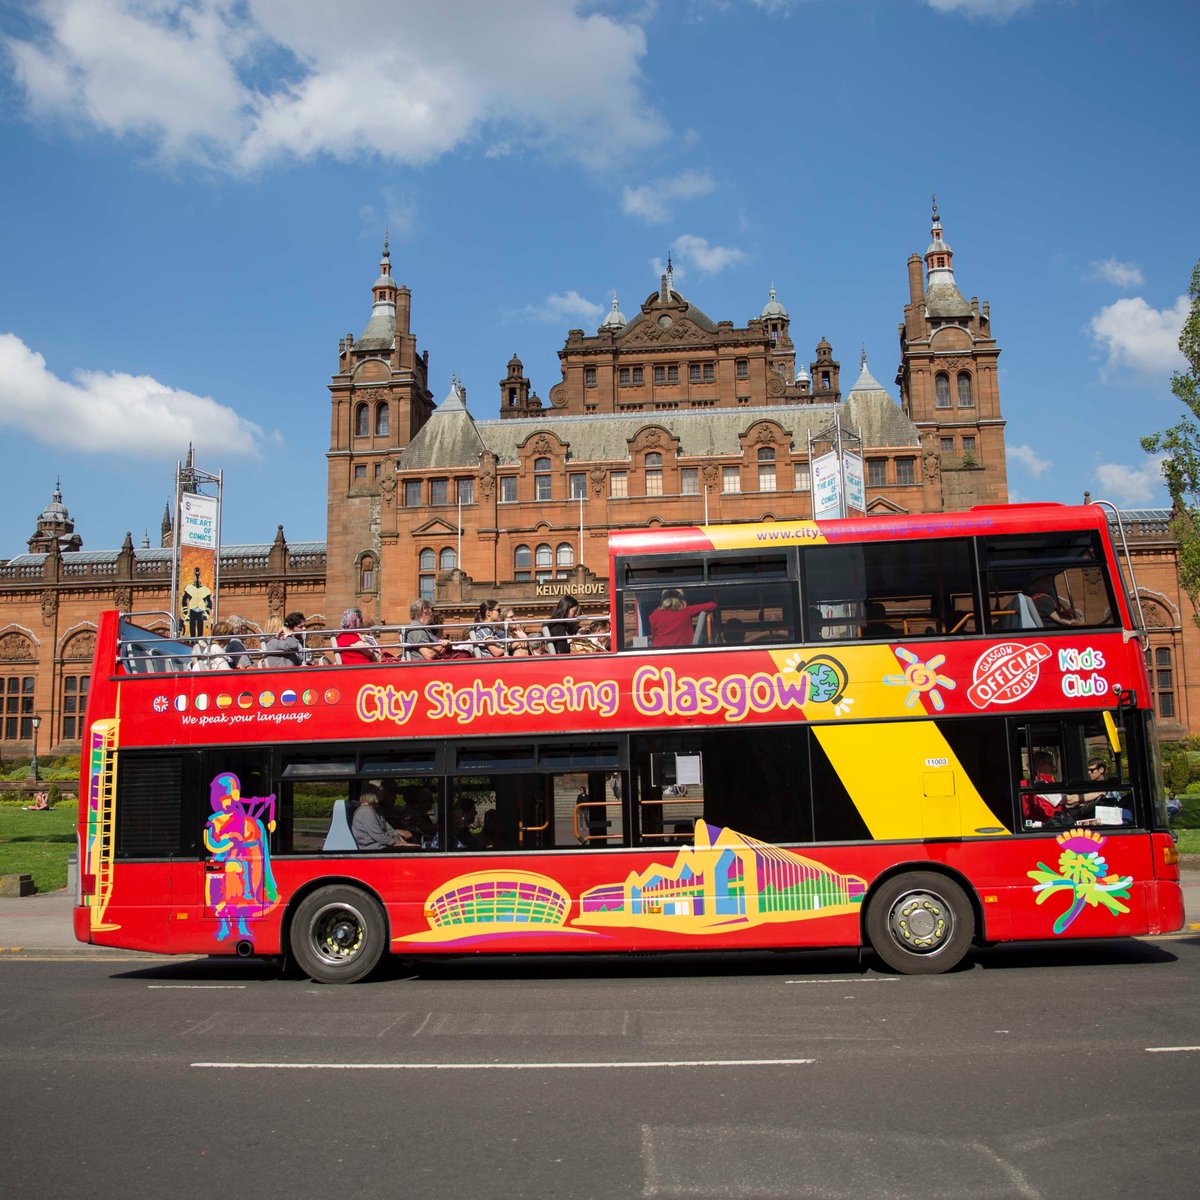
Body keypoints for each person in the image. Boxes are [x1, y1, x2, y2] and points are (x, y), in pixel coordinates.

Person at [649, 588, 718, 648]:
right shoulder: (687, 611)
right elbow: (712, 605)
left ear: (662, 600)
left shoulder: (654, 615)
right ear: (681, 599)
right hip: (683, 651)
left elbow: (654, 636)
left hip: (659, 653)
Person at [181, 566, 213, 639]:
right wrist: (186, 613)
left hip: (201, 611)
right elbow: (184, 600)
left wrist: (207, 613)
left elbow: (209, 602)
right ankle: (192, 642)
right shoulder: (189, 588)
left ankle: (199, 641)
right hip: (192, 610)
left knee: (200, 629)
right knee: (192, 630)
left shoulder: (205, 589)